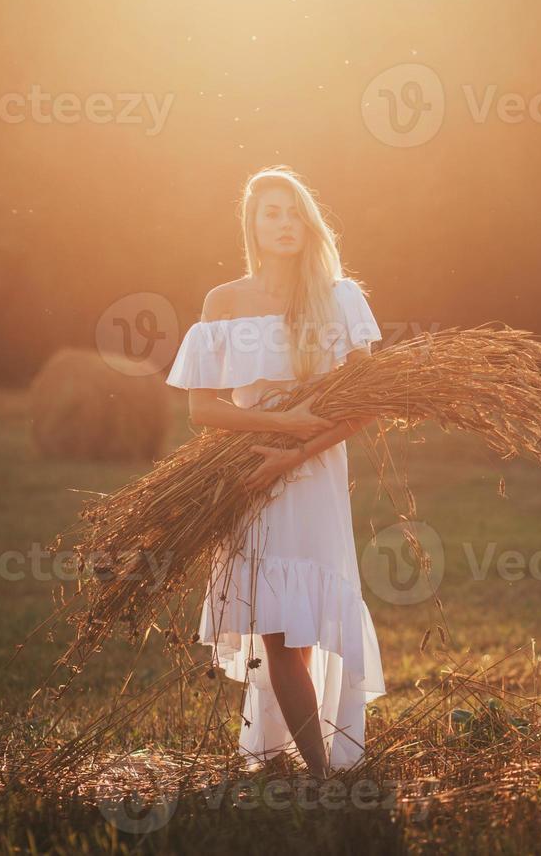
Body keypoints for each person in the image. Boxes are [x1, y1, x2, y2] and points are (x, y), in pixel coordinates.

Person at [165, 165, 385, 778]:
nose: (285, 224)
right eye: (271, 214)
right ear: (252, 227)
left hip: (311, 476)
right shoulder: (225, 301)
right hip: (244, 476)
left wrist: (294, 452)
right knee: (277, 630)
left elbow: (365, 402)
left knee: (305, 619)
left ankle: (314, 762)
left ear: (309, 222)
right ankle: (319, 772)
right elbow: (201, 408)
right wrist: (282, 431)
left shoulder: (339, 296)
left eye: (294, 212)